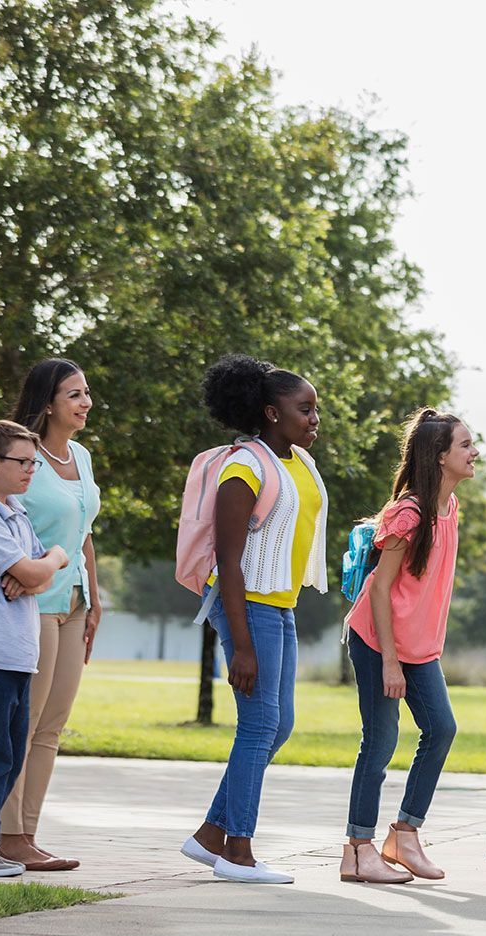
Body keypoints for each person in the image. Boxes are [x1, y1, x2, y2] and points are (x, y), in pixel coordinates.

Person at [178, 355, 329, 885]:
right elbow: (229, 559)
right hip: (249, 605)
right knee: (259, 725)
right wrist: (240, 643)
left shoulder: (297, 464)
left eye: (316, 410)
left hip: (280, 604)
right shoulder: (244, 467)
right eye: (304, 409)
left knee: (278, 724)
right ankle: (237, 852)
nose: (314, 419)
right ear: (270, 412)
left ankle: (209, 836)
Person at [340, 410, 478, 885]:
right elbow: (380, 590)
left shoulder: (450, 508)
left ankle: (404, 835)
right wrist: (391, 663)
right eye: (465, 445)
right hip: (378, 641)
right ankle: (357, 849)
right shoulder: (408, 513)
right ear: (441, 457)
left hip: (419, 649)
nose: (473, 452)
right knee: (380, 740)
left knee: (441, 729)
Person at [0, 359, 101, 871]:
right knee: (24, 722)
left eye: (86, 394)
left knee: (52, 726)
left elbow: (83, 532)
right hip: (30, 603)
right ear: (49, 401)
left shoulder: (81, 456)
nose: (85, 403)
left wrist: (97, 599)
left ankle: (27, 835)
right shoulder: (22, 459)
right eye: (75, 394)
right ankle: (5, 834)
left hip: (75, 602)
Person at [0, 421, 70, 879]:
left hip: (18, 653)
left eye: (34, 463)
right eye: (23, 463)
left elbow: (48, 562)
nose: (31, 471)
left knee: (9, 756)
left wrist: (50, 560)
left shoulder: (16, 513)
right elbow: (34, 569)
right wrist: (42, 567)